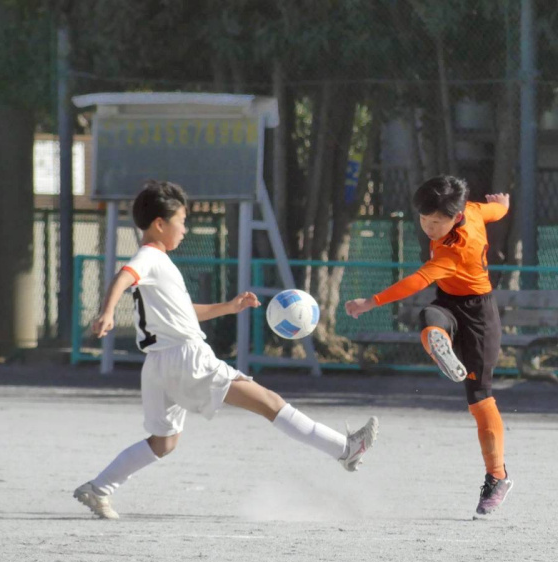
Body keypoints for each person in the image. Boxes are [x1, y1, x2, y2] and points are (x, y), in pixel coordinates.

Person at [74, 181, 378, 520]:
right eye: (182, 221)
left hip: (158, 365)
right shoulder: (150, 257)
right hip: (187, 358)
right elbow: (123, 276)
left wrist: (229, 307)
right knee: (270, 403)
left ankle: (98, 488)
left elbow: (183, 312)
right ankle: (345, 449)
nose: (185, 229)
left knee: (163, 442)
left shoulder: (159, 264)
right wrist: (107, 312)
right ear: (159, 224)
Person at [345, 175, 510, 516]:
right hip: (449, 301)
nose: (429, 228)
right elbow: (492, 211)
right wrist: (503, 206)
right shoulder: (473, 210)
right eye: (424, 219)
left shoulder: (456, 249)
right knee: (430, 317)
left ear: (456, 216)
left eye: (437, 222)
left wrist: (371, 302)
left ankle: (498, 476)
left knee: (480, 398)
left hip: (480, 317)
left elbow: (417, 280)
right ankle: (441, 346)